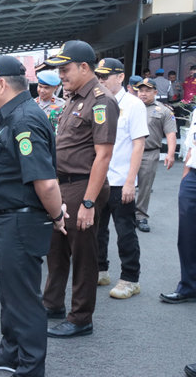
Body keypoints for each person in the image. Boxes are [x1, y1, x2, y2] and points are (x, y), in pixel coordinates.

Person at [0, 56, 65, 376]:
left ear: (1, 84)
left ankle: (30, 367)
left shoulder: (24, 120)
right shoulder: (14, 116)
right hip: (10, 220)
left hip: (20, 222)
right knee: (11, 295)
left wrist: (57, 216)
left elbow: (46, 182)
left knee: (23, 300)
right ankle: (11, 352)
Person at [42, 40, 119, 338]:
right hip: (62, 185)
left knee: (83, 254)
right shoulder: (74, 97)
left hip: (83, 186)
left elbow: (104, 155)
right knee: (55, 248)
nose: (61, 75)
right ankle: (52, 304)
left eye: (65, 68)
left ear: (84, 67)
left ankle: (80, 318)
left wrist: (88, 204)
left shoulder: (102, 101)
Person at [95, 58, 149, 299]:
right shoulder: (98, 102)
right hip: (99, 179)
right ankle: (100, 269)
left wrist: (130, 181)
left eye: (106, 75)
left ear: (121, 77)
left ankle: (130, 278)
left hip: (120, 180)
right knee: (97, 230)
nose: (102, 79)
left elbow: (138, 145)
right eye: (99, 75)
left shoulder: (134, 104)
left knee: (125, 231)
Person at [159, 115, 196, 304]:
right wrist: (185, 179)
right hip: (193, 177)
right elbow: (192, 145)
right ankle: (189, 286)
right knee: (187, 236)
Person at [135, 78, 177, 233]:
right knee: (124, 185)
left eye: (147, 90)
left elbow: (171, 133)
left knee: (145, 185)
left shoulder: (163, 110)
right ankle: (125, 214)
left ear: (155, 92)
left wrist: (171, 154)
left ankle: (141, 216)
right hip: (129, 152)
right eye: (141, 90)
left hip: (149, 153)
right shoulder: (129, 107)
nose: (143, 94)